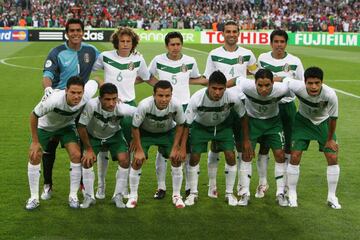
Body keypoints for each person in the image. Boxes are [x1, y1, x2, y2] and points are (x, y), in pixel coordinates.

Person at [40, 18, 100, 200]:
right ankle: (48, 184)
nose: (75, 33)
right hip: (58, 103)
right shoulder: (57, 52)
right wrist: (48, 90)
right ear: (67, 33)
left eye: (78, 30)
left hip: (79, 103)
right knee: (49, 145)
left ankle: (81, 182)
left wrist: (130, 52)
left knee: (80, 143)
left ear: (83, 32)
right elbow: (47, 75)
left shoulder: (91, 51)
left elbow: (109, 61)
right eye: (72, 30)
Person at [92, 27, 151, 200]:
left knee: (128, 147)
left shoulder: (138, 58)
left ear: (133, 43)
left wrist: (130, 81)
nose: (125, 44)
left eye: (128, 41)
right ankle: (101, 187)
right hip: (107, 104)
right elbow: (92, 71)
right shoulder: (105, 56)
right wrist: (101, 83)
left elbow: (145, 77)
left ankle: (124, 187)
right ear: (116, 42)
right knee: (103, 145)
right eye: (122, 41)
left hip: (128, 107)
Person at [26, 76, 99, 210]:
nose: (76, 96)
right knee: (35, 155)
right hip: (45, 126)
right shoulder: (53, 100)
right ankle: (34, 198)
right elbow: (33, 115)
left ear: (83, 91)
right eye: (73, 92)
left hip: (66, 126)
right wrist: (35, 142)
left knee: (76, 155)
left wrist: (113, 95)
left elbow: (96, 79)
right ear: (66, 90)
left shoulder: (87, 94)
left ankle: (73, 196)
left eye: (79, 93)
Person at [203, 20, 257, 199]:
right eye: (228, 31)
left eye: (235, 31)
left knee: (242, 146)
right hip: (220, 104)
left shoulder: (248, 54)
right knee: (216, 144)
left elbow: (255, 75)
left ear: (239, 33)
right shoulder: (214, 54)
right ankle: (212, 186)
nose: (231, 34)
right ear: (223, 33)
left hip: (242, 104)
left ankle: (242, 187)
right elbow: (209, 79)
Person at [148, 31, 205, 199]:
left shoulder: (190, 61)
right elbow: (148, 76)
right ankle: (161, 187)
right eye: (172, 44)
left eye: (178, 44)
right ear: (167, 46)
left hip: (186, 107)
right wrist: (159, 88)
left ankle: (188, 187)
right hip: (166, 108)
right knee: (163, 148)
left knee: (186, 148)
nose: (175, 47)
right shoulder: (158, 60)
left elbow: (194, 78)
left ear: (182, 45)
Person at [183, 71, 252, 207]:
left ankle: (229, 193)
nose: (217, 92)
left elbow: (243, 116)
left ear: (225, 88)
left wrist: (246, 140)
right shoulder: (197, 98)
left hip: (222, 127)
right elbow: (186, 124)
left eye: (221, 89)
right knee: (194, 157)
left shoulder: (232, 97)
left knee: (230, 156)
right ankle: (193, 193)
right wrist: (180, 146)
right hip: (201, 127)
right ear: (208, 86)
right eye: (214, 88)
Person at [255, 29, 304, 199]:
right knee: (265, 145)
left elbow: (302, 85)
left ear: (286, 43)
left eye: (282, 42)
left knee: (288, 147)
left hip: (287, 107)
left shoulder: (295, 61)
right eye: (276, 42)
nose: (279, 45)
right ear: (271, 43)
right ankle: (262, 183)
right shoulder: (262, 59)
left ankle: (286, 187)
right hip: (268, 107)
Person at [286, 67, 341, 209]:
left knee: (333, 157)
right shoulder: (296, 86)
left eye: (317, 83)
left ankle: (332, 196)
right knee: (295, 156)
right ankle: (291, 194)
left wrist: (329, 140)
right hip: (303, 122)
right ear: (304, 82)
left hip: (323, 122)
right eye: (310, 83)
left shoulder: (330, 95)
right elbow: (283, 80)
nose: (314, 86)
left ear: (322, 82)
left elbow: (333, 119)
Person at [235, 69, 290, 207]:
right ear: (255, 83)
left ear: (273, 82)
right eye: (260, 85)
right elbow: (237, 79)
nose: (263, 89)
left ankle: (280, 194)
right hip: (252, 122)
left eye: (267, 85)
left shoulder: (282, 89)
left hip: (273, 123)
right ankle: (244, 193)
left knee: (280, 155)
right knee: (246, 155)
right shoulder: (246, 86)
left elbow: (292, 84)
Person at [77, 83, 137, 208]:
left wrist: (135, 139)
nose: (111, 103)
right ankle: (89, 197)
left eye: (114, 99)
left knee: (124, 160)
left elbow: (141, 115)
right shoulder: (91, 106)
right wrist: (88, 149)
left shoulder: (122, 108)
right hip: (93, 136)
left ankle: (118, 196)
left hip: (114, 135)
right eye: (107, 99)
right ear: (100, 99)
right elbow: (81, 126)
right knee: (87, 161)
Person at [129, 81, 187, 208]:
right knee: (137, 160)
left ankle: (176, 195)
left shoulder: (176, 105)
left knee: (176, 159)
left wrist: (176, 146)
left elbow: (181, 125)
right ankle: (133, 196)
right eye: (160, 95)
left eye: (167, 96)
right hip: (146, 133)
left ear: (171, 95)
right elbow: (135, 127)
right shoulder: (144, 105)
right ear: (153, 95)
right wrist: (138, 149)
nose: (164, 99)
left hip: (166, 133)